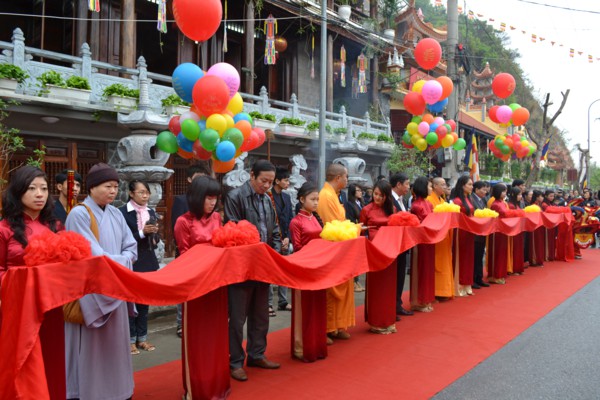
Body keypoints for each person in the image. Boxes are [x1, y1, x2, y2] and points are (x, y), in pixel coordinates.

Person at [65, 162, 137, 400]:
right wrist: (123, 262)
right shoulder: (78, 214)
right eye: (108, 186)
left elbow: (131, 246)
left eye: (116, 186)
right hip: (93, 293)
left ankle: (119, 391)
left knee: (115, 346)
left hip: (116, 288)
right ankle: (90, 392)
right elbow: (92, 255)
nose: (113, 191)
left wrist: (125, 260)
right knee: (92, 349)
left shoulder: (116, 213)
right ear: (92, 187)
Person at [0, 166, 65, 399]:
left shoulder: (55, 226)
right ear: (18, 192)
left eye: (44, 189)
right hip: (18, 308)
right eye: (32, 188)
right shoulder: (4, 229)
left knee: (51, 359)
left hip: (51, 307)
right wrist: (23, 281)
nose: (40, 194)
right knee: (23, 364)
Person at [224, 160, 281, 382]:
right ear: (252, 176)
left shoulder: (267, 199)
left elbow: (274, 231)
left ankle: (257, 354)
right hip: (242, 268)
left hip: (263, 266)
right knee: (237, 319)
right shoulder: (235, 196)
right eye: (263, 180)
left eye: (270, 182)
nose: (267, 185)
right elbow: (232, 230)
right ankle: (235, 362)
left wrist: (274, 256)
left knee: (261, 315)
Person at [174, 176, 230, 398]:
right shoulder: (183, 222)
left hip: (217, 283)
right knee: (198, 338)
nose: (212, 202)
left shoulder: (217, 218)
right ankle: (197, 388)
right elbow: (184, 256)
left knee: (217, 334)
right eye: (208, 197)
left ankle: (217, 383)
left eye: (215, 198)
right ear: (197, 197)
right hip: (196, 286)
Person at [119, 180, 160, 355]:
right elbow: (122, 240)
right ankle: (130, 340)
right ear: (131, 193)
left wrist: (155, 234)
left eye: (147, 192)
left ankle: (142, 338)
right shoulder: (122, 213)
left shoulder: (150, 211)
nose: (145, 196)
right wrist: (143, 232)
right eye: (141, 192)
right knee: (130, 302)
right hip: (131, 262)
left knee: (144, 302)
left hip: (148, 260)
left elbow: (155, 238)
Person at [288, 182, 328, 362]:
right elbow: (297, 247)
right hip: (303, 268)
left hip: (318, 267)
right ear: (302, 199)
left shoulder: (315, 218)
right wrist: (315, 249)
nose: (316, 202)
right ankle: (302, 346)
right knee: (304, 308)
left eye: (317, 199)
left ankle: (317, 344)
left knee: (318, 306)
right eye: (313, 199)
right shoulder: (296, 222)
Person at [171, 162, 211, 338]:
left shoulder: (210, 206)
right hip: (186, 253)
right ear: (189, 180)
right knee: (185, 290)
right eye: (197, 178)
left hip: (206, 258)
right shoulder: (182, 200)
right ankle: (181, 323)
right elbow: (176, 228)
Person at [317, 163, 355, 340]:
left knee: (343, 286)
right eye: (346, 176)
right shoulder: (325, 196)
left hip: (342, 248)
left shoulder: (335, 195)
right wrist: (354, 229)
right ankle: (328, 327)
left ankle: (339, 325)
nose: (347, 180)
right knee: (332, 290)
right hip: (333, 248)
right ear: (338, 178)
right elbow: (333, 227)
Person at [360, 180, 398, 334]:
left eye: (381, 195)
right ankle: (376, 322)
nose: (377, 197)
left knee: (388, 287)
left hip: (390, 251)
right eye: (375, 194)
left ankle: (388, 320)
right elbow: (360, 230)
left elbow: (396, 229)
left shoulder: (392, 209)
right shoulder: (366, 210)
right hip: (374, 252)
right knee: (376, 287)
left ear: (386, 196)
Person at [268, 167, 293, 315]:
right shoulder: (268, 196)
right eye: (286, 180)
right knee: (270, 272)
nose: (288, 183)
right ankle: (268, 303)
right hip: (272, 239)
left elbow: (290, 218)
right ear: (277, 181)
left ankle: (283, 301)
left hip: (285, 239)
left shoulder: (287, 197)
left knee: (285, 271)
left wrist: (287, 236)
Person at [409, 177, 435, 312]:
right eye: (429, 186)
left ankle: (427, 298)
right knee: (421, 269)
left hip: (430, 240)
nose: (431, 189)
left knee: (428, 270)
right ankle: (419, 300)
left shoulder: (428, 204)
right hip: (421, 241)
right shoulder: (416, 206)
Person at [389, 173, 413, 318]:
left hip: (403, 243)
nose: (408, 187)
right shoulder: (389, 200)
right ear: (398, 184)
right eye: (407, 184)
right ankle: (391, 306)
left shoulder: (401, 200)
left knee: (400, 275)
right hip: (393, 243)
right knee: (394, 277)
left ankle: (398, 304)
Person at [427, 177, 454, 301]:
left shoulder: (442, 200)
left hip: (445, 236)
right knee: (437, 264)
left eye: (445, 185)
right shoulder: (429, 200)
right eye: (442, 184)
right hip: (436, 236)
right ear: (435, 186)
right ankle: (437, 291)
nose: (445, 187)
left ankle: (444, 290)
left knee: (444, 263)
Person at [450, 175, 475, 296]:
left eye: (472, 184)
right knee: (461, 257)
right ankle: (459, 285)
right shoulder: (457, 201)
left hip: (469, 231)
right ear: (462, 185)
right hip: (461, 232)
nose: (472, 187)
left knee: (468, 257)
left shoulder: (469, 199)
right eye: (469, 184)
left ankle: (467, 283)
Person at [344, 183, 365, 292]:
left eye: (361, 190)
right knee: (354, 258)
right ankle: (354, 282)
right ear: (353, 192)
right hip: (354, 232)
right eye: (358, 190)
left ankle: (357, 281)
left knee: (358, 259)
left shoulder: (361, 203)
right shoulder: (349, 204)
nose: (360, 192)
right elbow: (350, 219)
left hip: (362, 232)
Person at [488, 183, 509, 284]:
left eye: (505, 191)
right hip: (497, 231)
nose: (505, 193)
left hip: (503, 230)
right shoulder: (495, 204)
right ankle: (495, 275)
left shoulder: (503, 203)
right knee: (497, 252)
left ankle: (501, 274)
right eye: (503, 191)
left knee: (503, 252)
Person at [470, 181, 490, 288]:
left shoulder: (483, 200)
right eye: (483, 189)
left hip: (482, 232)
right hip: (475, 233)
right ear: (476, 189)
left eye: (486, 190)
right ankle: (473, 279)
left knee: (479, 256)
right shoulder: (471, 199)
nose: (485, 192)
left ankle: (479, 278)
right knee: (474, 257)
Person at [507, 187, 525, 275]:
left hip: (519, 229)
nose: (520, 196)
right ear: (513, 195)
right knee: (514, 249)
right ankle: (513, 268)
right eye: (519, 195)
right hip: (514, 230)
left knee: (518, 249)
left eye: (521, 194)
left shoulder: (517, 204)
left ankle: (518, 267)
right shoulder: (511, 205)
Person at [529, 190, 546, 266]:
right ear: (536, 197)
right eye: (541, 196)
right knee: (536, 243)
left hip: (540, 226)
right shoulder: (533, 206)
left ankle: (539, 259)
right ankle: (534, 260)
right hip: (535, 228)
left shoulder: (539, 205)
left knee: (539, 243)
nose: (542, 198)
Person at [542, 190, 557, 261]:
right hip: (547, 225)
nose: (552, 197)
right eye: (550, 196)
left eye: (553, 196)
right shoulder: (544, 204)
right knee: (547, 240)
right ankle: (547, 255)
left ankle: (551, 255)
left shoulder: (551, 203)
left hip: (552, 224)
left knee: (552, 240)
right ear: (546, 196)